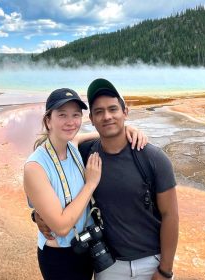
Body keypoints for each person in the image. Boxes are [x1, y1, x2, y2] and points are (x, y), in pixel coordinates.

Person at [35, 79, 179, 280]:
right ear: (92, 119)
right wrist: (38, 214)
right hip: (109, 265)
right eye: (99, 112)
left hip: (151, 261)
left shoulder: (152, 158)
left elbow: (170, 215)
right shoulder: (84, 154)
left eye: (113, 109)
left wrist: (165, 269)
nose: (107, 116)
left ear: (125, 112)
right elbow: (49, 177)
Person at [24, 87, 147, 280]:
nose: (70, 122)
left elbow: (87, 136)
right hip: (60, 257)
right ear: (48, 120)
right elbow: (62, 227)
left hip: (86, 247)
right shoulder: (35, 167)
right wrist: (90, 184)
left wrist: (126, 129)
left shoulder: (72, 146)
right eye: (62, 115)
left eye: (75, 115)